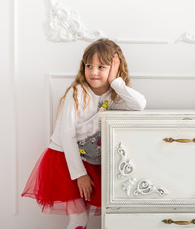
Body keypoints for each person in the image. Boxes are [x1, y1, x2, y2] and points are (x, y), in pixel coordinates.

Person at [21, 38, 146, 229]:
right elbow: (66, 134)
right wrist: (79, 174)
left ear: (113, 69)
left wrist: (116, 82)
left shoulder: (113, 97)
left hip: (93, 162)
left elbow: (139, 105)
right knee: (79, 219)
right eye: (89, 66)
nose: (94, 72)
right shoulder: (78, 93)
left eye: (101, 67)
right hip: (66, 161)